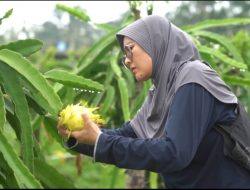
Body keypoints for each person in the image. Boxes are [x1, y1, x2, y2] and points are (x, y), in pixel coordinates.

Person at [57, 15, 250, 188]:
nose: (127, 61)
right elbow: (130, 134)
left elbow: (174, 153)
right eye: (124, 56)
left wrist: (101, 140)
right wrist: (78, 136)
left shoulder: (194, 77)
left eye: (130, 49)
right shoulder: (161, 92)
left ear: (155, 42)